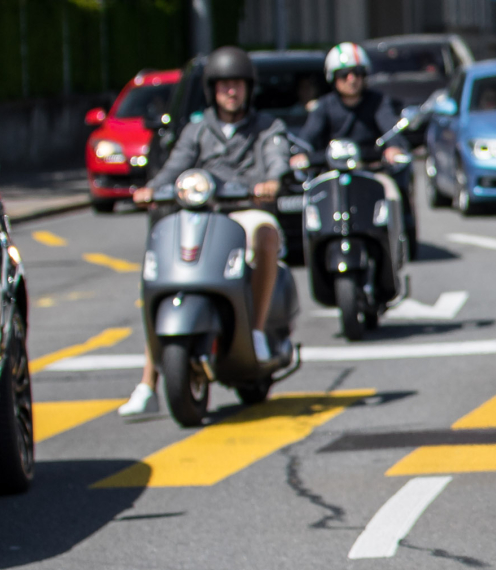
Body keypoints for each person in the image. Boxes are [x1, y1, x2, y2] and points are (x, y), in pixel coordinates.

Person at [118, 48, 293, 418]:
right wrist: (152, 188)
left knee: (265, 232)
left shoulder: (267, 127)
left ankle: (257, 331)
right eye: (225, 86)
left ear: (249, 89)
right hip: (204, 212)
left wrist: (272, 181)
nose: (231, 92)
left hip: (245, 209)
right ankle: (148, 381)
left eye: (238, 86)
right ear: (213, 90)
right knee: (160, 272)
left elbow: (277, 158)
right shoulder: (197, 129)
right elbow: (174, 166)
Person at [294, 41, 416, 254]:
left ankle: (395, 250)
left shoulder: (378, 102)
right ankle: (317, 252)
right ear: (333, 78)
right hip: (332, 176)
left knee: (392, 194)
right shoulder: (324, 106)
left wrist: (393, 148)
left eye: (357, 73)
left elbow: (390, 128)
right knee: (312, 204)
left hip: (371, 172)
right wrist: (300, 155)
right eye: (344, 74)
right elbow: (308, 137)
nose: (352, 80)